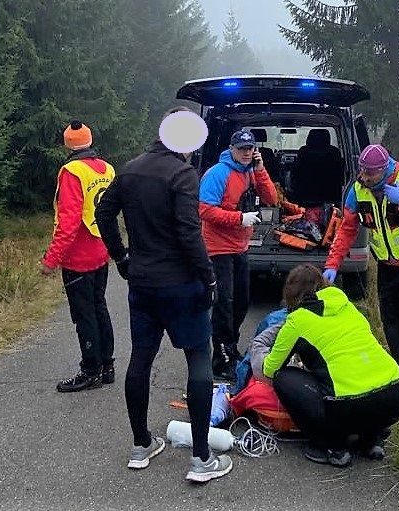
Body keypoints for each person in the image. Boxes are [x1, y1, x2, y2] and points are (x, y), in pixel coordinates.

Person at [95, 107, 232, 482]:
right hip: (182, 284)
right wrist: (210, 279)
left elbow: (103, 214)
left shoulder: (130, 169)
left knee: (141, 357)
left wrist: (121, 257)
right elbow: (190, 233)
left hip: (142, 283)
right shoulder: (183, 174)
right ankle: (201, 459)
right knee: (199, 358)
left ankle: (141, 444)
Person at [323, 144, 399, 397]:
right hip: (387, 268)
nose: (365, 178)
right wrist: (332, 265)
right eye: (362, 171)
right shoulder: (357, 190)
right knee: (393, 328)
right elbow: (347, 229)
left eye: (370, 173)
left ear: (384, 169)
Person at [262, 264, 399, 466]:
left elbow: (270, 369)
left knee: (282, 377)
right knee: (356, 379)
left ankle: (332, 446)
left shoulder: (297, 320)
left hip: (348, 406)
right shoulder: (346, 305)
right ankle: (371, 439)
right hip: (396, 397)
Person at [41, 120, 115, 393]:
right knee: (99, 307)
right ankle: (107, 367)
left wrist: (51, 259)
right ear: (90, 140)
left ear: (67, 144)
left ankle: (90, 371)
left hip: (78, 257)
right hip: (100, 249)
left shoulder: (72, 171)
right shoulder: (106, 168)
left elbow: (68, 221)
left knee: (84, 315)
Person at [199, 129, 278, 380]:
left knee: (241, 303)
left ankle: (230, 347)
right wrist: (238, 218)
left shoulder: (251, 172)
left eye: (250, 149)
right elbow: (205, 210)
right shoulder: (217, 174)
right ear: (232, 149)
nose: (246, 153)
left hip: (240, 247)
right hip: (218, 249)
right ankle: (222, 360)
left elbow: (271, 198)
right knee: (224, 306)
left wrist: (261, 169)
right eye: (242, 149)